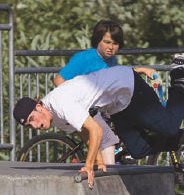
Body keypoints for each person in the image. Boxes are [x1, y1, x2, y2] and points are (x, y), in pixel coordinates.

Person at [13, 55, 184, 189]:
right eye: (29, 126)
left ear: (39, 106)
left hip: (126, 87)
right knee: (137, 149)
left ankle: (180, 77)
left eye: (33, 119)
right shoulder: (53, 117)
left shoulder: (59, 103)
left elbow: (95, 131)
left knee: (169, 126)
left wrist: (89, 166)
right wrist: (99, 162)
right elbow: (83, 132)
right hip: (116, 105)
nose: (35, 125)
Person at [53, 20, 155, 165]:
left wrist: (142, 70)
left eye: (115, 43)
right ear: (97, 40)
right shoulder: (84, 59)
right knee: (108, 143)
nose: (111, 47)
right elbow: (58, 80)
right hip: (87, 110)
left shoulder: (111, 60)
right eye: (107, 42)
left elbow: (118, 77)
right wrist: (76, 106)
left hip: (102, 108)